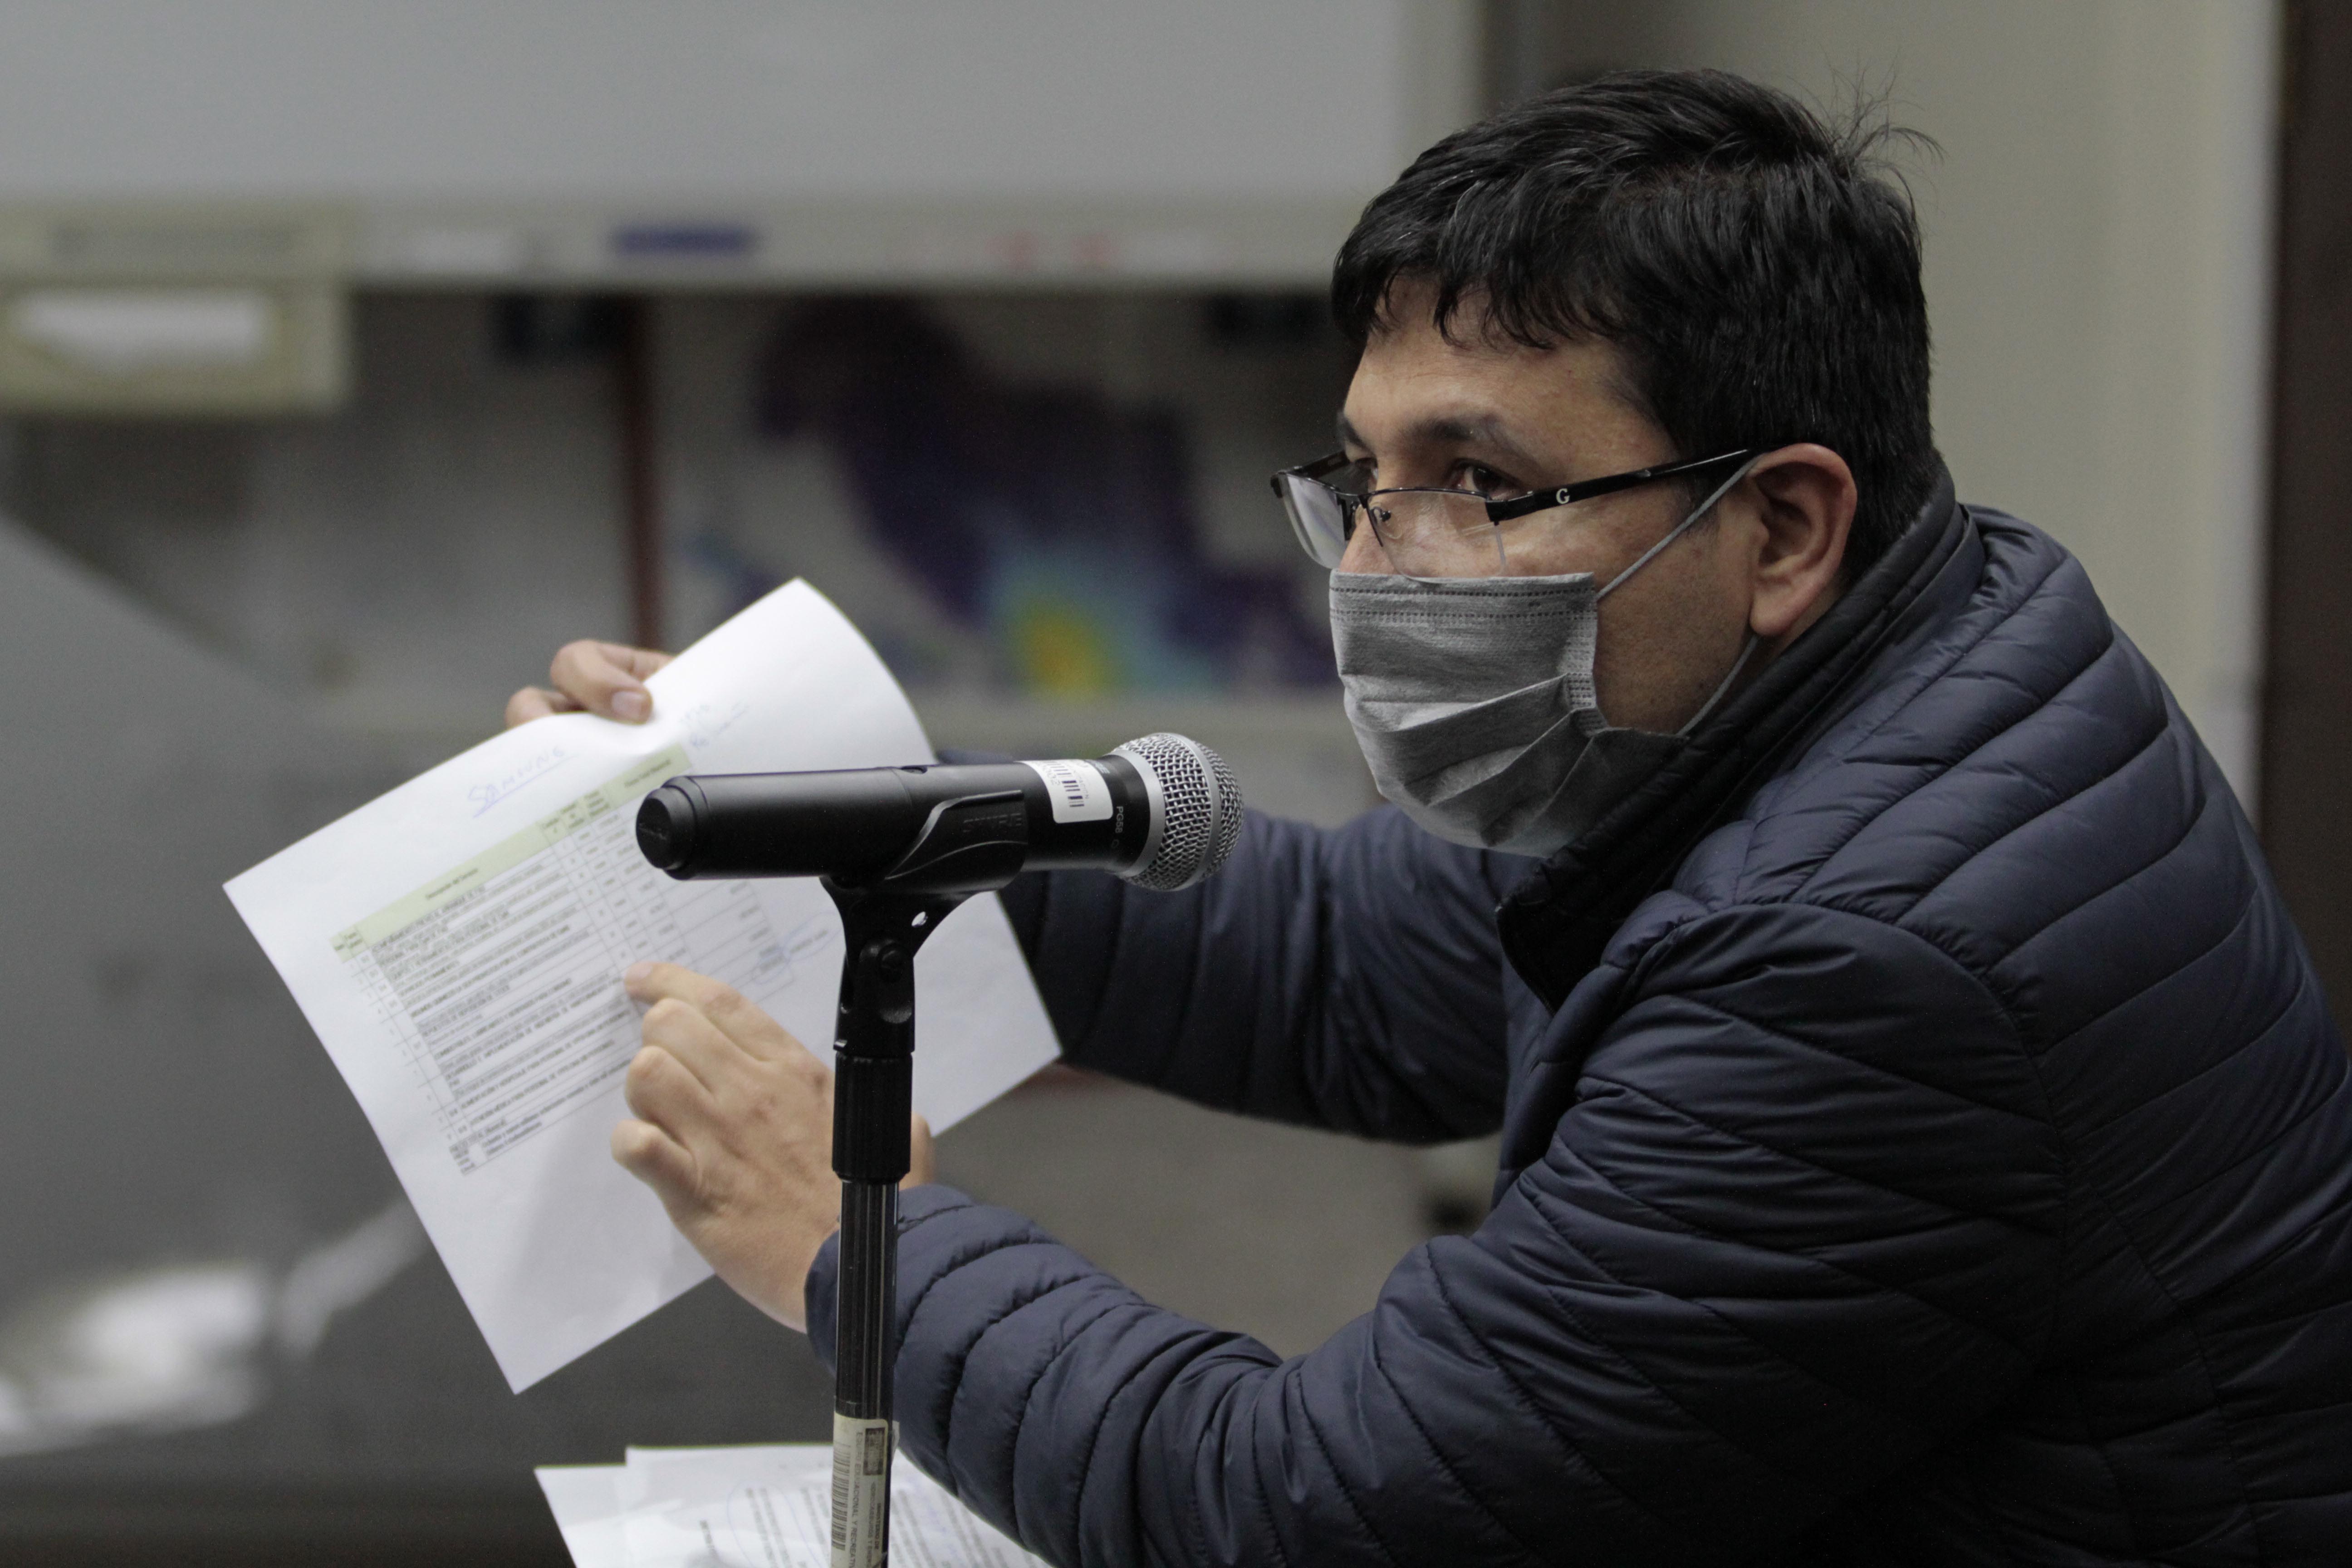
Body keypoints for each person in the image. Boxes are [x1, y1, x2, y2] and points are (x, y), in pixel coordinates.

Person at [510, 71, 2352, 1566]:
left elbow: (1312, 1516)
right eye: (1365, 480)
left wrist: (858, 1244)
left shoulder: (1865, 964)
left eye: (1477, 482)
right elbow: (1341, 965)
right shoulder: (1861, 669)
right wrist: (814, 809)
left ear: (1785, 526)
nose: (1379, 568)